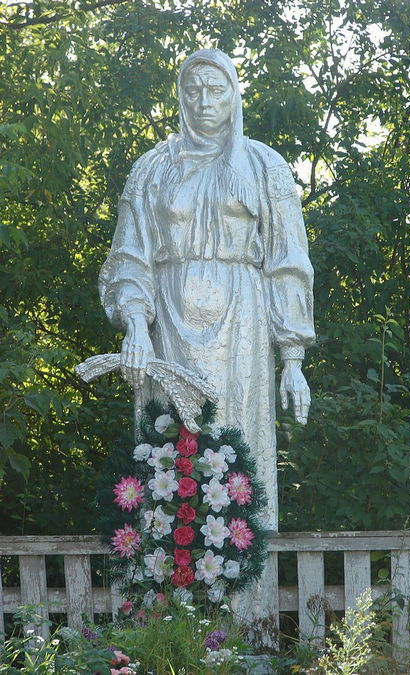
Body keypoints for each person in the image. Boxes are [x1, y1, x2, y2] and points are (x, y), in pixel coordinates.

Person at [99, 48, 315, 625]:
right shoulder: (152, 168)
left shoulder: (264, 166)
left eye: (215, 89)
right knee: (167, 449)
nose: (204, 101)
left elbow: (287, 262)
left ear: (234, 94)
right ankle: (167, 623)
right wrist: (136, 323)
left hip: (243, 325)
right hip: (166, 327)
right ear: (180, 96)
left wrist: (292, 356)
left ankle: (247, 622)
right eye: (193, 89)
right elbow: (130, 256)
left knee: (238, 450)